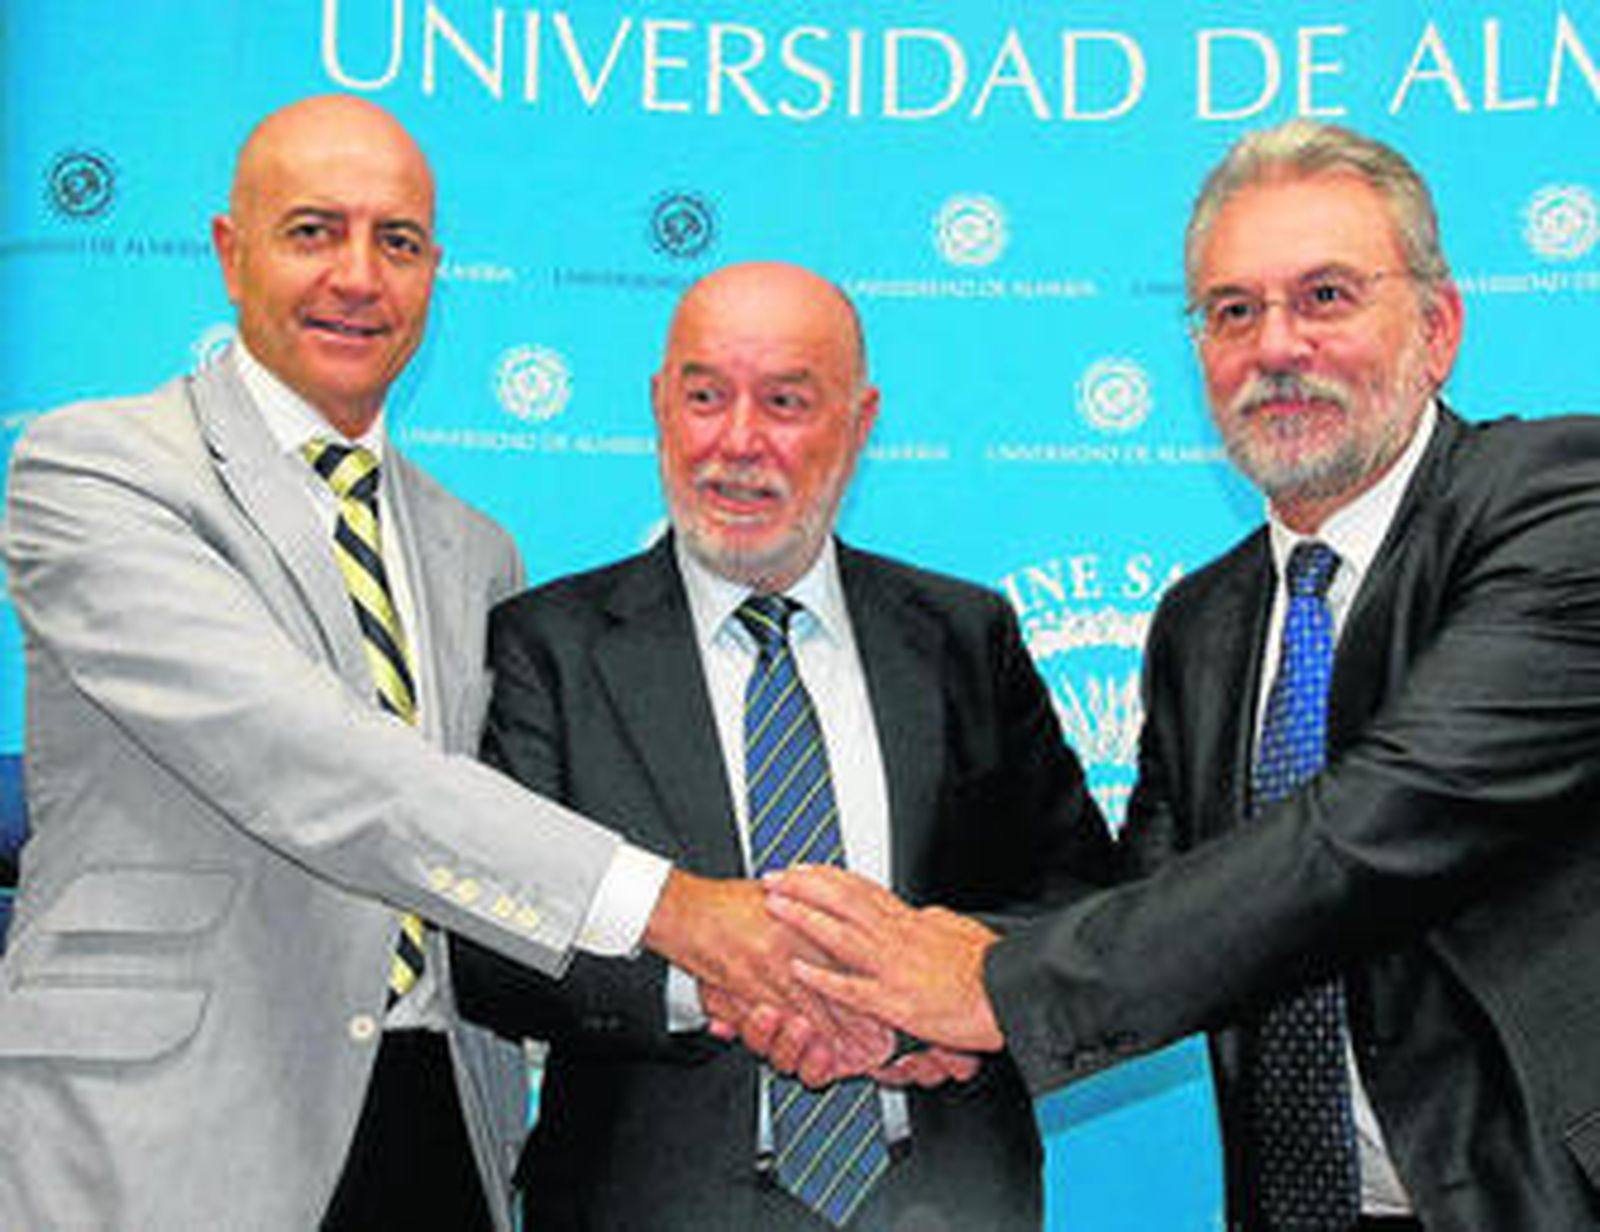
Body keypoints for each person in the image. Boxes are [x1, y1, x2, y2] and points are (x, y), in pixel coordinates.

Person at [0, 97, 868, 1229]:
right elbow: (304, 756)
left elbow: (498, 839)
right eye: (313, 231)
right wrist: (679, 910)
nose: (358, 277)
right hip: (172, 1122)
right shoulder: (96, 470)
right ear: (229, 251)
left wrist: (742, 983)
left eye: (398, 242)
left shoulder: (476, 549)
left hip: (446, 1118)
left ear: (434, 274)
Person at [770, 120, 1600, 1230]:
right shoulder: (1204, 620)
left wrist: (991, 988)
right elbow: (1156, 907)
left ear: (1437, 326)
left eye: (1325, 296)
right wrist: (899, 1003)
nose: (1277, 347)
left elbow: (1374, 827)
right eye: (1233, 311)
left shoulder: (1558, 503)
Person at [451, 261, 1116, 1230]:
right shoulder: (547, 647)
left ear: (859, 421)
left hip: (943, 1203)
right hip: (648, 1205)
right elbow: (492, 943)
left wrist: (928, 1000)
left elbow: (1079, 909)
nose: (737, 441)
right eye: (705, 397)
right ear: (659, 406)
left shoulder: (965, 637)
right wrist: (713, 980)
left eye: (786, 402)